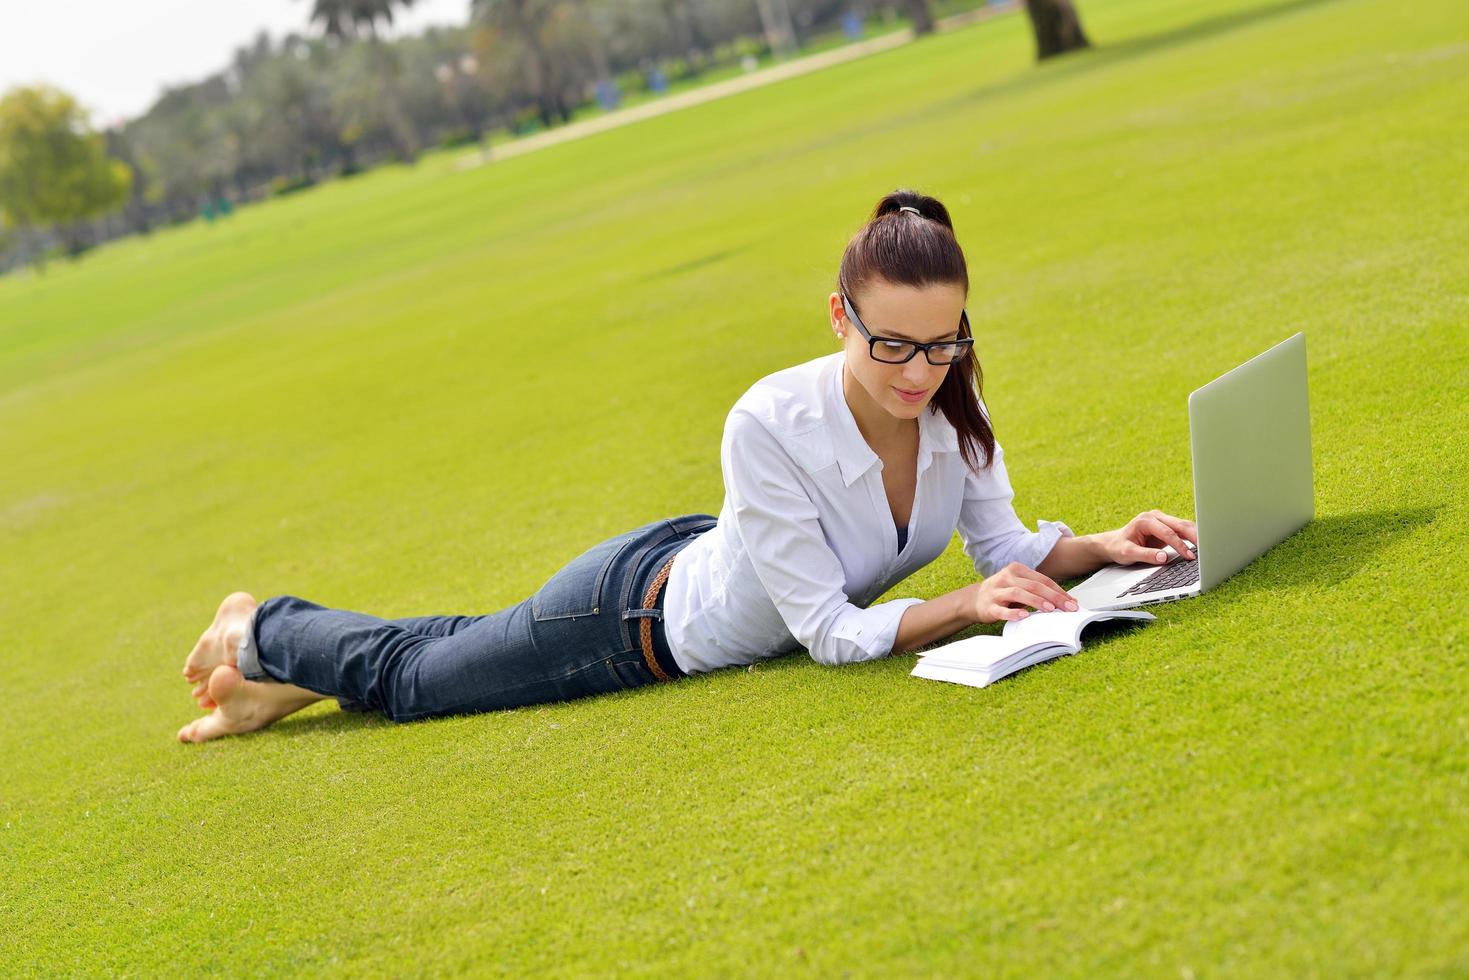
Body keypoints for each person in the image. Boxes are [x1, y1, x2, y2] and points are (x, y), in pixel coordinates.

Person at [176, 189, 1198, 744]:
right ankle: (258, 628)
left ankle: (272, 689)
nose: (917, 372)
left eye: (941, 344)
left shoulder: (951, 404)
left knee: (461, 643)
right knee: (415, 680)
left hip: (708, 554)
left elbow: (1007, 548)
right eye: (891, 344)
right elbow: (834, 635)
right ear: (840, 316)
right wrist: (967, 602)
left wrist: (1105, 544)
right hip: (630, 622)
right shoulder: (767, 418)